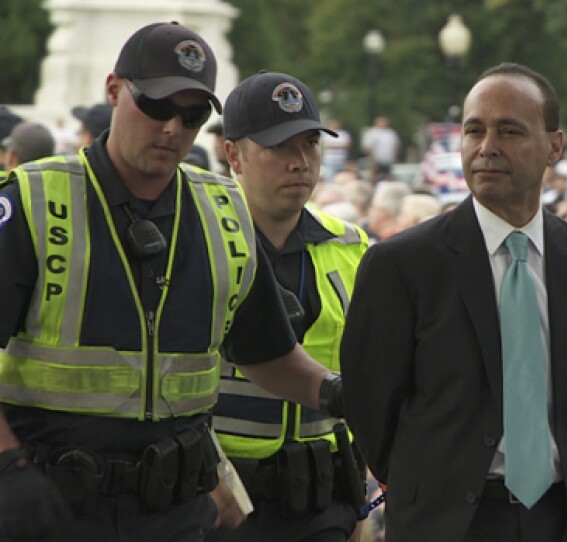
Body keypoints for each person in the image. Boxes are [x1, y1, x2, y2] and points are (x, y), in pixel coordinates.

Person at [0, 22, 343, 542]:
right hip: (51, 506)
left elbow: (265, 352)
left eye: (193, 115)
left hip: (174, 511)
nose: (172, 128)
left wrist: (346, 396)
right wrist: (9, 467)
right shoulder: (32, 201)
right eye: (158, 106)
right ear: (114, 89)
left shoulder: (223, 212)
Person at [341, 62, 567, 542]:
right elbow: (371, 406)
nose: (486, 147)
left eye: (510, 131)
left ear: (554, 146)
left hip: (561, 518)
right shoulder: (402, 265)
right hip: (444, 522)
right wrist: (429, 480)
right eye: (474, 130)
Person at [208, 71, 368, 542]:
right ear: (233, 154)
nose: (300, 163)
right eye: (279, 148)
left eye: (310, 145)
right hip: (223, 502)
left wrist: (360, 497)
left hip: (324, 500)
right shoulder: (203, 241)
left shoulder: (352, 247)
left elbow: (366, 377)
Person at [361, 116, 400, 183]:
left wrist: (394, 156)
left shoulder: (391, 133)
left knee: (388, 176)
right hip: (375, 160)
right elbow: (368, 147)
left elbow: (396, 145)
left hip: (388, 160)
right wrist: (372, 157)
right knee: (374, 177)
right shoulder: (372, 132)